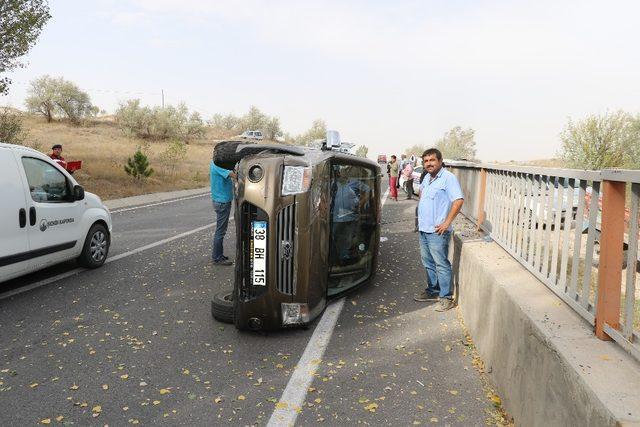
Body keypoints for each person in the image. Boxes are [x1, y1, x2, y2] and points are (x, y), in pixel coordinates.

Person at [414, 148, 464, 312]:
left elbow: (458, 201)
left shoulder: (448, 178)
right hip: (424, 229)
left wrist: (446, 222)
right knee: (428, 263)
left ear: (440, 161)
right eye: (426, 161)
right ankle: (433, 290)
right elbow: (422, 197)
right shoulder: (427, 178)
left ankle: (446, 297)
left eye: (432, 160)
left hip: (438, 231)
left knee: (441, 264)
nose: (428, 164)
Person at [210, 159, 236, 266]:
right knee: (220, 231)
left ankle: (219, 255)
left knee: (221, 230)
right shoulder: (218, 165)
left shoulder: (215, 163)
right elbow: (233, 175)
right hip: (222, 201)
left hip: (221, 200)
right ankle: (217, 257)